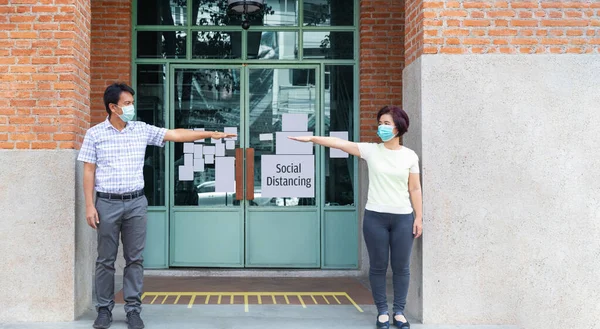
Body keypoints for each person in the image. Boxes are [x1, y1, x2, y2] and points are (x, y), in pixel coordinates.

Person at [78, 83, 236, 329]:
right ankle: (104, 310)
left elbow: (176, 134)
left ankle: (133, 310)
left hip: (136, 204)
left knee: (135, 259)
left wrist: (209, 134)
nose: (131, 107)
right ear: (113, 107)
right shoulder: (95, 134)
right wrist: (90, 205)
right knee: (105, 260)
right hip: (107, 203)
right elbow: (88, 171)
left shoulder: (141, 130)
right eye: (127, 103)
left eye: (131, 102)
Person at [289, 105, 422, 329]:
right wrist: (312, 138)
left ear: (399, 127)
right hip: (375, 218)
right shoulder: (371, 150)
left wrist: (419, 217)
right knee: (378, 267)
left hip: (402, 218)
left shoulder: (410, 156)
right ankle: (381, 312)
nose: (382, 127)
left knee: (402, 267)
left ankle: (399, 312)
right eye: (380, 123)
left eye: (386, 123)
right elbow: (340, 144)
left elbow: (415, 189)